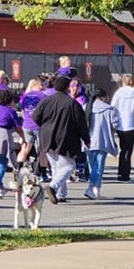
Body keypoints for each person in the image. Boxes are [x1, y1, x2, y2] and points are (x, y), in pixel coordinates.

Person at [33, 74, 90, 204]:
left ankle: (60, 194)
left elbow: (35, 116)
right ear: (66, 88)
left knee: (56, 167)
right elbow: (81, 123)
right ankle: (53, 187)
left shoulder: (46, 101)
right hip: (65, 137)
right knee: (69, 166)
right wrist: (86, 139)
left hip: (47, 137)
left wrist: (46, 124)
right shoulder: (72, 103)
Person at [0, 88, 25, 198]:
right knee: (2, 164)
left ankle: (0, 187)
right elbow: (18, 127)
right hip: (2, 135)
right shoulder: (10, 111)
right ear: (9, 100)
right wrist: (24, 138)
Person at [84, 88, 121, 200]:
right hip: (102, 141)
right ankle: (92, 188)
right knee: (99, 167)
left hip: (88, 141)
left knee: (92, 166)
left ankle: (95, 189)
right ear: (103, 97)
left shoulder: (86, 107)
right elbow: (116, 124)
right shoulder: (109, 109)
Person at [111, 75, 134, 181]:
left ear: (123, 82)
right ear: (131, 82)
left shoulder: (118, 93)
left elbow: (113, 107)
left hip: (120, 125)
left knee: (122, 149)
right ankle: (126, 174)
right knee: (128, 151)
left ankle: (120, 172)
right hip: (131, 125)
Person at [17, 77, 50, 181]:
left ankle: (18, 170)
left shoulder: (26, 96)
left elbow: (22, 109)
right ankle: (42, 173)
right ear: (39, 84)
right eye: (43, 84)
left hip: (27, 125)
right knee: (42, 150)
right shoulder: (43, 96)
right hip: (39, 126)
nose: (44, 86)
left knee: (25, 148)